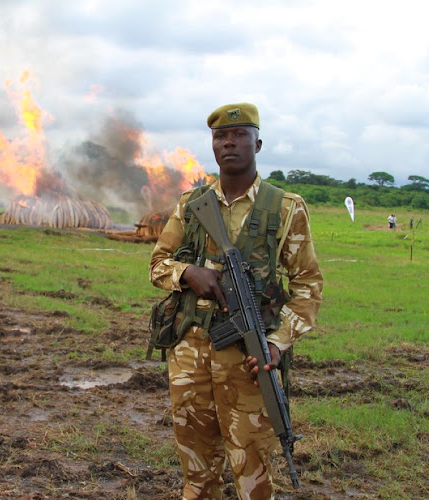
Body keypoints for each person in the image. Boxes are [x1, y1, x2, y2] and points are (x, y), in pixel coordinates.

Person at [149, 102, 323, 499]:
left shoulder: (285, 207)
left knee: (253, 475)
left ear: (257, 144)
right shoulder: (191, 205)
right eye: (220, 137)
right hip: (188, 358)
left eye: (239, 135)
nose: (229, 143)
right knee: (196, 474)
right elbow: (157, 264)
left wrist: (277, 344)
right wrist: (188, 273)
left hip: (249, 360)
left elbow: (308, 286)